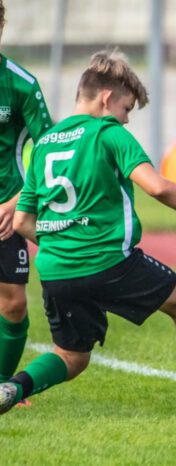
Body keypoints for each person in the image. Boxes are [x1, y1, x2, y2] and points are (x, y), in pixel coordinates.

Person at [0, 50, 176, 418]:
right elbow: (157, 187)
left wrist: (63, 240)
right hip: (109, 262)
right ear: (106, 98)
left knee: (71, 356)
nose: (126, 119)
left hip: (55, 270)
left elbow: (21, 222)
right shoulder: (108, 133)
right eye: (127, 108)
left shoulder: (48, 141)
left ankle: (13, 386)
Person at [0, 1, 53, 402]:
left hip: (5, 210)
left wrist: (19, 201)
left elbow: (49, 150)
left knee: (14, 304)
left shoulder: (21, 84)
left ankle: (2, 389)